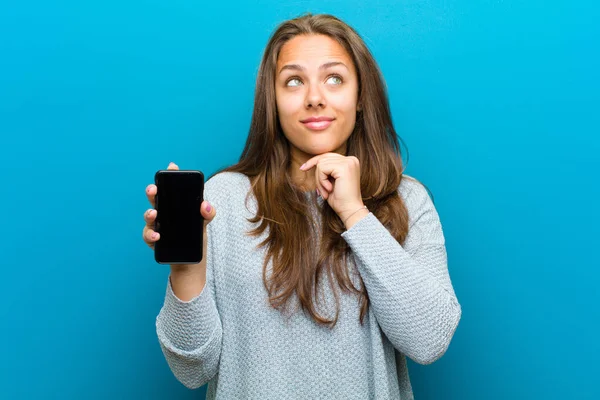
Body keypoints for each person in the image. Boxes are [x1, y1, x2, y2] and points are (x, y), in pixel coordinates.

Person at [142, 13, 461, 400]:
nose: (314, 97)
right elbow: (192, 369)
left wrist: (355, 213)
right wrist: (186, 269)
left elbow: (430, 339)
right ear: (272, 101)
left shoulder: (406, 199)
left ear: (361, 98)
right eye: (294, 81)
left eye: (334, 78)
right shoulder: (223, 199)